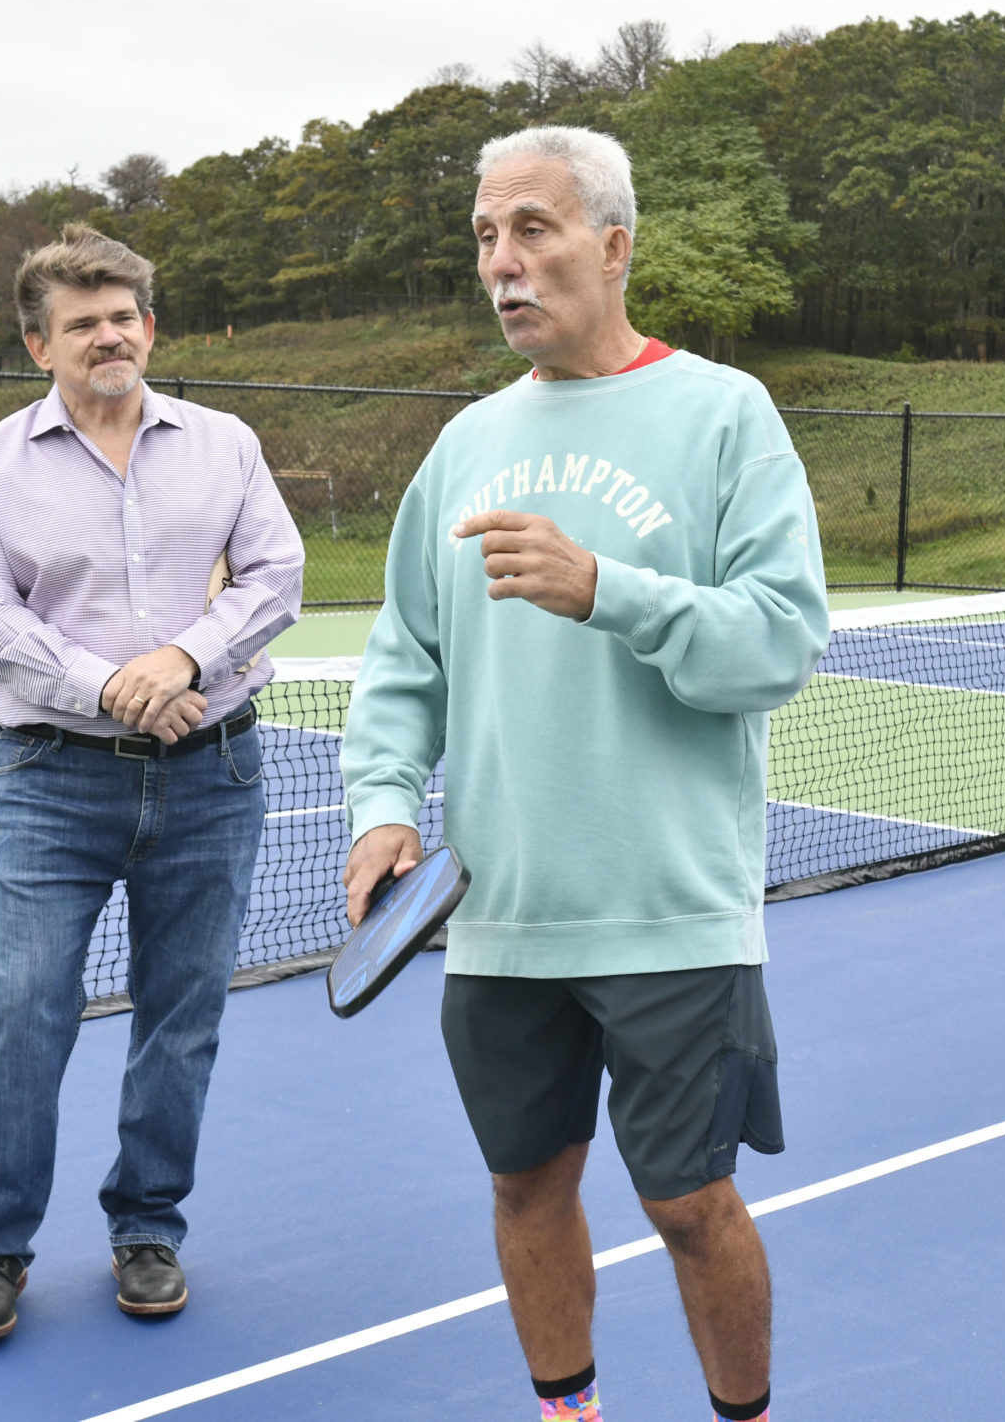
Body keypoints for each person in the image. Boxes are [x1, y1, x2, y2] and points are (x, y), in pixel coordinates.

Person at [341, 126, 830, 1422]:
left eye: (534, 230)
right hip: (496, 917)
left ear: (613, 247)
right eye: (486, 238)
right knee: (524, 1188)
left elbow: (779, 639)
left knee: (688, 1203)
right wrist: (386, 804)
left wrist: (609, 589)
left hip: (670, 909)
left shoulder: (726, 413)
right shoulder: (463, 445)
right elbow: (403, 660)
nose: (504, 264)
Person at [0, 224, 303, 1340]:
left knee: (181, 1018)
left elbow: (279, 575)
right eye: (83, 321)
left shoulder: (225, 444)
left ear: (149, 327)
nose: (109, 334)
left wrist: (183, 661)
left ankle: (148, 1227)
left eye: (123, 315)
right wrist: (117, 686)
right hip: (53, 780)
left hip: (215, 772)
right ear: (38, 343)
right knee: (17, 1012)